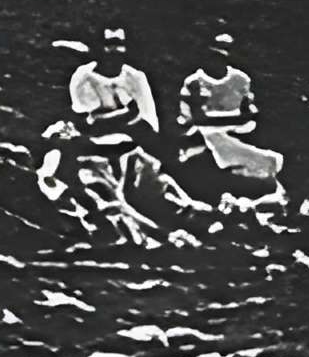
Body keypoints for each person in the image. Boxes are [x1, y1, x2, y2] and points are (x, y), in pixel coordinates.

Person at [35, 27, 185, 244]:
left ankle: (194, 225)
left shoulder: (136, 77)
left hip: (131, 150)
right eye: (108, 44)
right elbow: (88, 125)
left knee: (161, 193)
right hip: (94, 153)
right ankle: (153, 236)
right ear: (98, 48)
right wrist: (125, 115)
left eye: (119, 44)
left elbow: (146, 125)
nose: (114, 51)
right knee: (106, 202)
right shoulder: (83, 78)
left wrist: (111, 121)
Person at [174, 32, 286, 211]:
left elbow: (250, 119)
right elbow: (194, 122)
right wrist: (232, 121)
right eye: (214, 54)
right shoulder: (194, 83)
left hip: (236, 137)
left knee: (271, 163)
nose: (218, 59)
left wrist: (228, 123)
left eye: (224, 53)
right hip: (202, 139)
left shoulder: (241, 80)